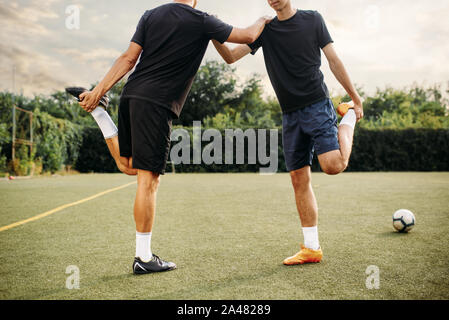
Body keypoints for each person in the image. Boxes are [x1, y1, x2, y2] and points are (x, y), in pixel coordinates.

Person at [74, 0, 272, 274]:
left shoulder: (152, 15)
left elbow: (129, 59)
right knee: (148, 180)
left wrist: (98, 91)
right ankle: (143, 258)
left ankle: (100, 115)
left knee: (128, 166)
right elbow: (248, 35)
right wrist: (263, 19)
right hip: (156, 104)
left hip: (131, 96)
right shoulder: (202, 19)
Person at [213, 0, 364, 265]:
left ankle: (348, 116)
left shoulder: (313, 19)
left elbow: (333, 60)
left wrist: (355, 98)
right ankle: (311, 248)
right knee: (298, 179)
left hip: (317, 104)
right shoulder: (265, 31)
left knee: (333, 165)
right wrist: (212, 31)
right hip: (289, 114)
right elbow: (229, 57)